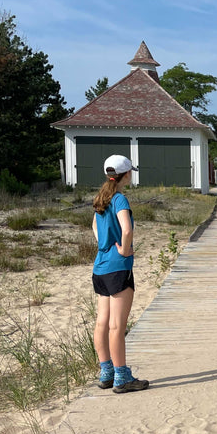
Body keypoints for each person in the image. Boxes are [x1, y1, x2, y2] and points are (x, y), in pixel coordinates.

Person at [92, 155, 149, 393]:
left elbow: (94, 227)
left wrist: (104, 245)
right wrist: (125, 250)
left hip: (100, 267)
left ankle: (106, 372)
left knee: (102, 323)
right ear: (127, 174)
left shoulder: (100, 198)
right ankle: (122, 377)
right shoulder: (119, 199)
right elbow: (126, 229)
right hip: (118, 268)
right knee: (117, 326)